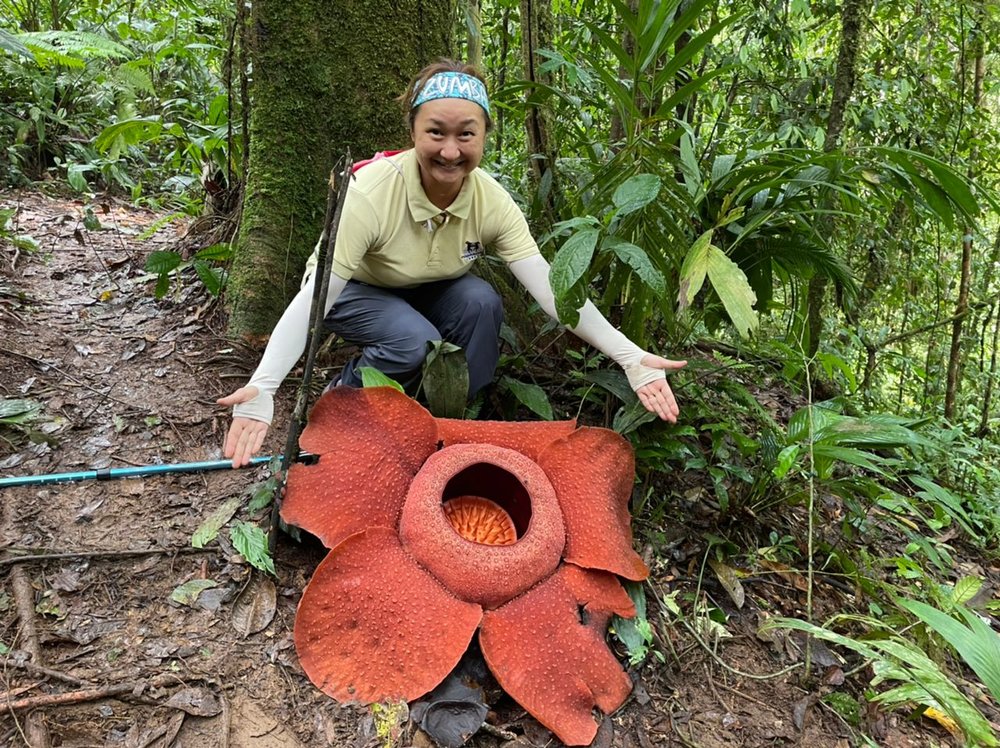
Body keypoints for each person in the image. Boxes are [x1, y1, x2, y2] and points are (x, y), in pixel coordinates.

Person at [219, 59, 686, 467]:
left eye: (466, 134)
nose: (450, 150)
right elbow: (314, 300)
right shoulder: (372, 193)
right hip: (355, 290)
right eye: (435, 133)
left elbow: (550, 290)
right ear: (413, 132)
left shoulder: (492, 202)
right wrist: (265, 386)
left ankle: (449, 422)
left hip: (431, 289)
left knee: (482, 302)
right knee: (413, 342)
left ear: (484, 136)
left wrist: (629, 356)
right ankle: (341, 407)